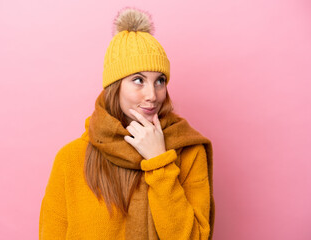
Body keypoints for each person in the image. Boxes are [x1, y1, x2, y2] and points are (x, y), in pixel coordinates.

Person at [39, 7, 215, 240]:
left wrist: (159, 162)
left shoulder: (188, 151)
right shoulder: (71, 158)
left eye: (160, 81)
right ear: (115, 86)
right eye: (138, 80)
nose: (152, 94)